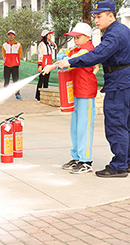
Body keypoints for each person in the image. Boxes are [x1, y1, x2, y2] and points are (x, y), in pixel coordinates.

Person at [43, 0, 130, 178]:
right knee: (125, 125)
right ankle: (127, 162)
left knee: (116, 125)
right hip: (127, 80)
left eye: (99, 16)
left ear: (111, 16)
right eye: (95, 16)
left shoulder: (113, 34)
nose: (96, 20)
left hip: (119, 83)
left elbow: (98, 55)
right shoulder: (123, 30)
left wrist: (69, 62)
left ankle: (118, 166)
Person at [56, 23, 99, 174]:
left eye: (78, 37)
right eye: (74, 38)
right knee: (75, 126)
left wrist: (61, 61)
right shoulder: (77, 49)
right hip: (75, 91)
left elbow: (69, 61)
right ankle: (76, 157)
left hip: (86, 91)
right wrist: (63, 58)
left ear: (88, 37)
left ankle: (86, 160)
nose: (75, 40)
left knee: (84, 127)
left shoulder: (87, 50)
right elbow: (62, 53)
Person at [35, 29, 56, 102]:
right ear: (45, 36)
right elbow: (40, 55)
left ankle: (45, 96)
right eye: (49, 34)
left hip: (49, 64)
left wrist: (50, 41)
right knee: (41, 80)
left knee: (46, 81)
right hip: (44, 64)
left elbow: (55, 47)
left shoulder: (48, 44)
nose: (50, 36)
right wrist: (40, 65)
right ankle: (38, 96)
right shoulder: (41, 44)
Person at [2, 30, 23, 100]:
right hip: (7, 65)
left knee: (16, 81)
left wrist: (15, 60)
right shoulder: (4, 45)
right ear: (7, 36)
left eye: (12, 35)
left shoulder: (18, 45)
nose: (11, 36)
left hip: (15, 65)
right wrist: (7, 60)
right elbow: (4, 55)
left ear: (14, 36)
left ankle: (17, 94)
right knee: (6, 80)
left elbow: (20, 55)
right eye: (9, 35)